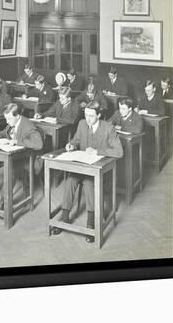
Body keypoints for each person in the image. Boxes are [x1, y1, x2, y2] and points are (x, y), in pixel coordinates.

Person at [51, 102, 123, 243]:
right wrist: (71, 145)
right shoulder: (82, 124)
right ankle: (64, 218)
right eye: (86, 115)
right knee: (70, 181)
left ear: (99, 115)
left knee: (90, 184)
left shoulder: (108, 128)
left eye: (91, 115)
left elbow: (119, 152)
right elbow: (77, 139)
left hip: (99, 169)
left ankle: (91, 223)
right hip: (82, 165)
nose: (88, 118)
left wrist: (98, 151)